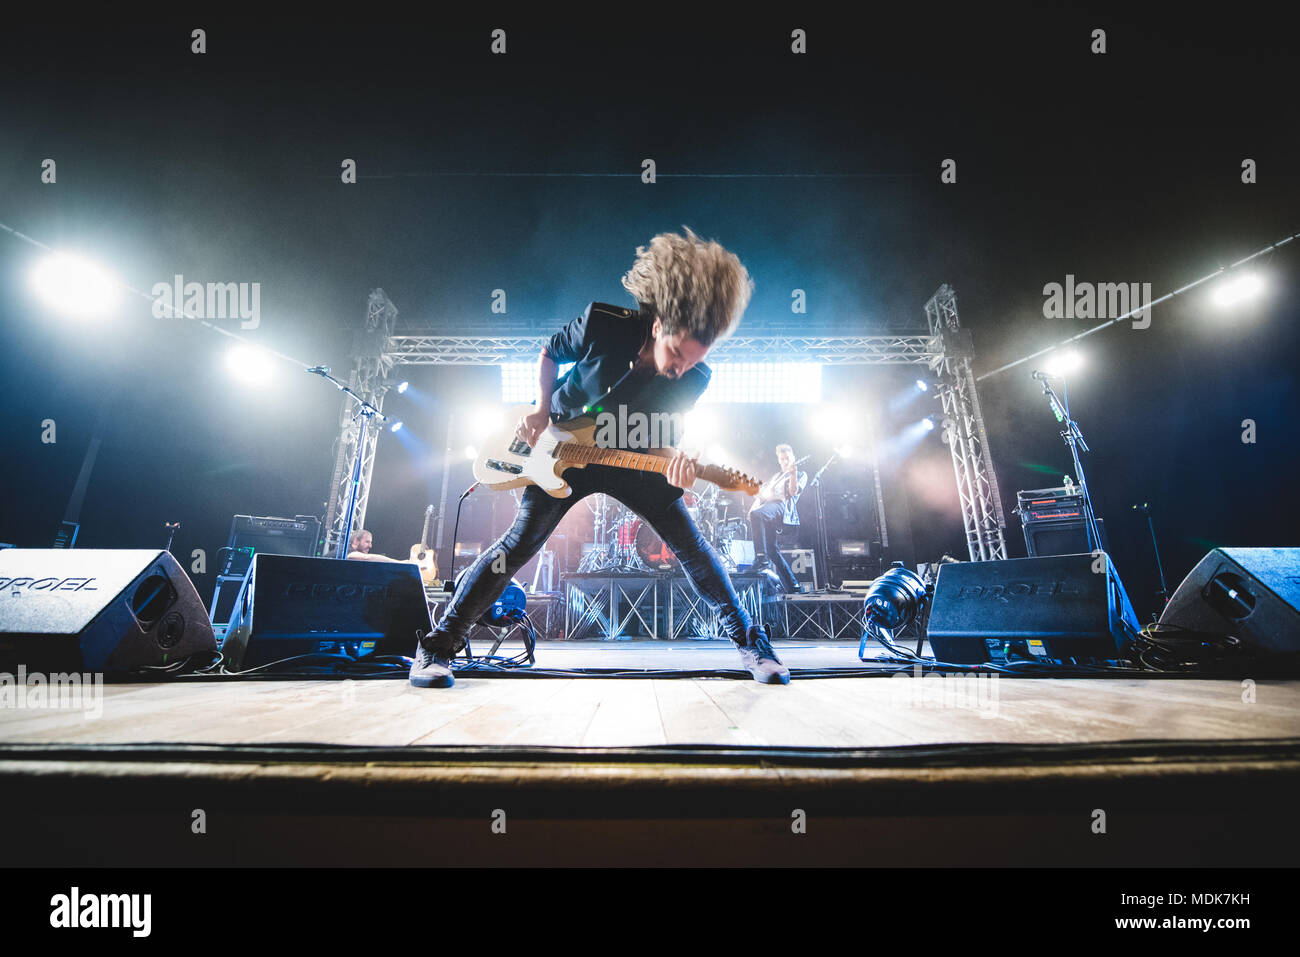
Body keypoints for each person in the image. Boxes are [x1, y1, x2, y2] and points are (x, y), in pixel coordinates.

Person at [411, 228, 789, 688]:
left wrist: (680, 464)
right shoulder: (602, 322)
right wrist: (540, 408)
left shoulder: (696, 378)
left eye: (692, 361)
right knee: (517, 547)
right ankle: (437, 646)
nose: (680, 369)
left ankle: (751, 643)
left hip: (632, 457)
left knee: (692, 546)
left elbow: (662, 439)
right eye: (677, 354)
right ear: (658, 325)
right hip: (562, 450)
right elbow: (549, 352)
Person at [748, 444, 807, 593]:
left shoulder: (800, 474)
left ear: (793, 458)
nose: (785, 461)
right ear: (779, 460)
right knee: (772, 550)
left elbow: (793, 492)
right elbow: (764, 496)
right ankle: (793, 585)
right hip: (769, 510)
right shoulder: (775, 477)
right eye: (782, 459)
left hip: (782, 507)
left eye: (788, 458)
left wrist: (793, 474)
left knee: (757, 515)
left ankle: (761, 558)